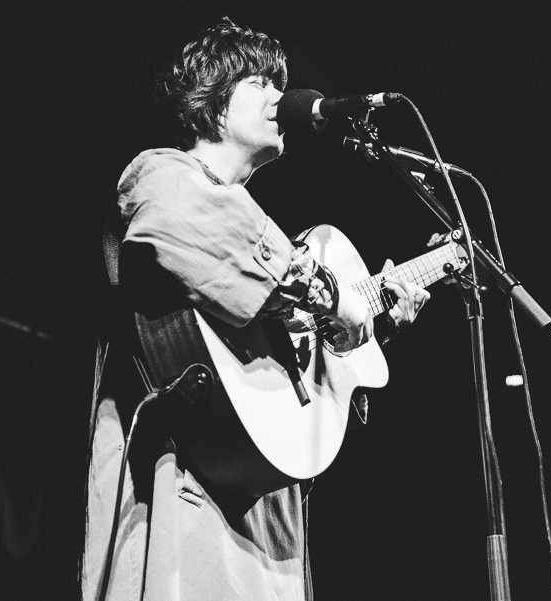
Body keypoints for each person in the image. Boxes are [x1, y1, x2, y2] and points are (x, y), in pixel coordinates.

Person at [83, 18, 430, 601]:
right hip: (180, 493)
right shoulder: (161, 175)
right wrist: (330, 294)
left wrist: (374, 325)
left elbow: (295, 391)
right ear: (212, 99)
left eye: (280, 83)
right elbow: (197, 227)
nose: (279, 97)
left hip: (265, 515)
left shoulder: (260, 241)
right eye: (259, 82)